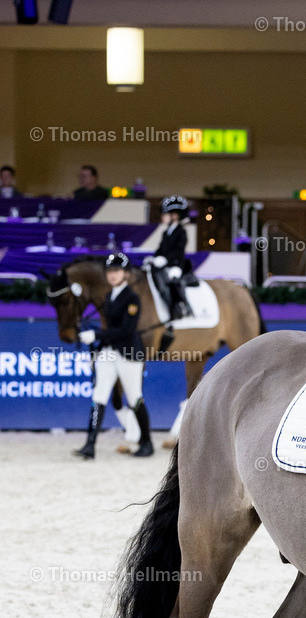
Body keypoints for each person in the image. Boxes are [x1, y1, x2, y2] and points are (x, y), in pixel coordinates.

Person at [74, 253, 153, 459]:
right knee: (99, 395)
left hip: (129, 353)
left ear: (126, 274)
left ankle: (146, 442)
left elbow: (126, 330)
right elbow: (111, 329)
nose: (112, 275)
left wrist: (97, 335)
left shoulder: (132, 298)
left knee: (134, 397)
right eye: (109, 271)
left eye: (116, 271)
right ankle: (90, 444)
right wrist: (98, 347)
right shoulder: (109, 297)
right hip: (109, 352)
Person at [145, 196, 191, 319]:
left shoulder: (181, 232)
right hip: (164, 264)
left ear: (175, 215)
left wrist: (166, 259)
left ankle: (181, 305)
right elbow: (160, 249)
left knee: (172, 278)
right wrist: (153, 258)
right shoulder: (166, 233)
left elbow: (178, 251)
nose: (162, 217)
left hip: (176, 264)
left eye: (165, 214)